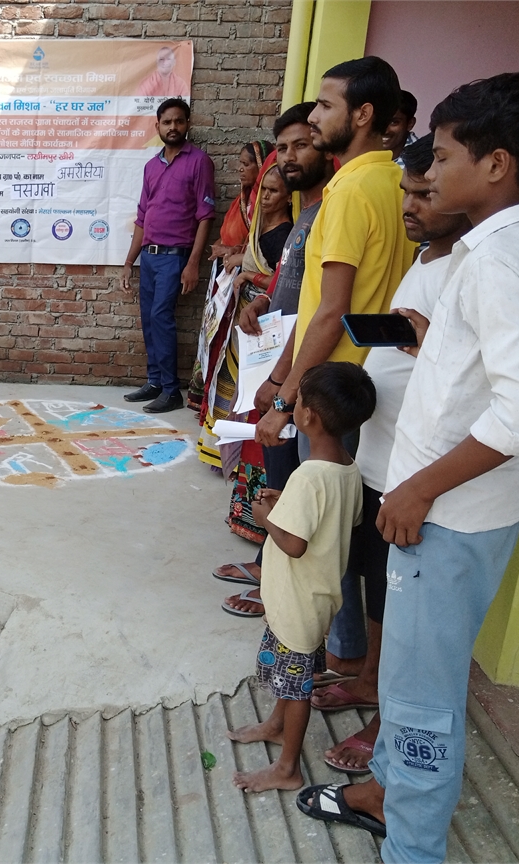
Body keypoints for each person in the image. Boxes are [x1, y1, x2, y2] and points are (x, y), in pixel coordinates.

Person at [298, 72, 519, 862]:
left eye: (444, 156)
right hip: (469, 514)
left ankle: (410, 842)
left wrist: (418, 487)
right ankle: (385, 789)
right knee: (416, 679)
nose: (430, 170)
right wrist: (430, 341)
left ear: (496, 165)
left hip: (445, 520)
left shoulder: (496, 262)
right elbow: (498, 374)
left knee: (421, 698)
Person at [255, 56, 415, 677]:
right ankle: (351, 660)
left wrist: (283, 399)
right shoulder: (396, 181)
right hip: (374, 386)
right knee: (351, 533)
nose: (316, 115)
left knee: (324, 537)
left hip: (334, 390)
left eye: (326, 105)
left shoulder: (347, 192)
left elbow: (329, 312)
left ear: (363, 114)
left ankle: (336, 659)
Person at [317, 134, 470, 774]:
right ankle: (370, 681)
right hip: (381, 458)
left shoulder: (473, 268)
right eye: (408, 192)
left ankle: (390, 717)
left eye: (424, 193)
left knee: (408, 607)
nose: (409, 205)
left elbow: (489, 388)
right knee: (376, 584)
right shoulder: (427, 257)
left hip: (419, 475)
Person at [226, 361, 376, 793]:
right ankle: (276, 726)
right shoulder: (347, 466)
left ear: (307, 415)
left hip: (298, 600)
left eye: (298, 401)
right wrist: (286, 500)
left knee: (296, 688)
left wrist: (265, 517)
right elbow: (340, 518)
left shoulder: (310, 476)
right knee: (291, 675)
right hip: (314, 596)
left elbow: (294, 543)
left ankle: (287, 768)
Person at [212, 102, 335, 616]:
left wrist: (283, 387)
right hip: (279, 360)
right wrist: (264, 298)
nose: (288, 157)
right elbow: (295, 284)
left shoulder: (332, 208)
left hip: (300, 374)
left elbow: (326, 309)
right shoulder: (309, 211)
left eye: (301, 144)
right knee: (278, 474)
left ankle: (279, 591)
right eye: (282, 147)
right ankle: (267, 565)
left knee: (293, 484)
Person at [196, 156, 293, 487]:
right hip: (243, 317)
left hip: (262, 324)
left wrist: (248, 276)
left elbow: (282, 281)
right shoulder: (262, 230)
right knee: (229, 384)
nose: (265, 197)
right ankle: (221, 449)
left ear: (289, 197)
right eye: (263, 189)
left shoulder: (285, 235)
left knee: (248, 392)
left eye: (274, 191)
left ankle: (241, 458)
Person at [120, 97, 216, 414]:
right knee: (149, 319)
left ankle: (172, 390)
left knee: (162, 318)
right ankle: (155, 382)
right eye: (167, 122)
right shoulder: (151, 166)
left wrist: (193, 263)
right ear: (157, 126)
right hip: (149, 257)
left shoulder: (199, 161)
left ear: (187, 124)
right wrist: (129, 262)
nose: (173, 127)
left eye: (179, 121)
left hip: (175, 257)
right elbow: (142, 218)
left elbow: (205, 216)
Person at [187, 140, 273, 410]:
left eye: (247, 164)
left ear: (262, 167)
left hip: (243, 284)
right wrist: (223, 249)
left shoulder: (262, 207)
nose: (240, 169)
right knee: (212, 341)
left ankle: (228, 409)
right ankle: (206, 400)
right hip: (225, 277)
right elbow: (233, 237)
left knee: (230, 348)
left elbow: (256, 249)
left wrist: (233, 254)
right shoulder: (242, 201)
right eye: (240, 164)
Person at [383, 89, 418, 165]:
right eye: (379, 121)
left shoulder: (421, 158)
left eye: (394, 122)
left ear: (410, 124)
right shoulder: (363, 148)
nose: (385, 130)